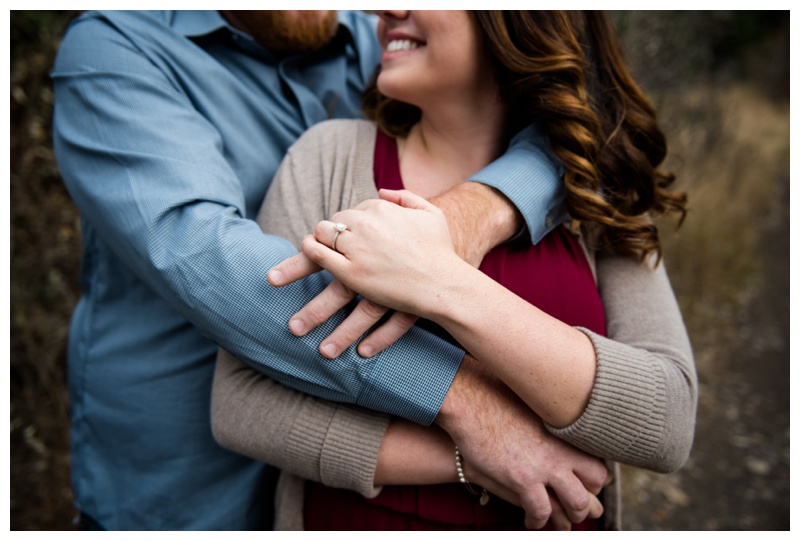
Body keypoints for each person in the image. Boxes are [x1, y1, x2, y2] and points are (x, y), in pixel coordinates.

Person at [50, 10, 604, 530]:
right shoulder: (116, 49)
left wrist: (472, 214)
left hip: (330, 495)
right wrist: (466, 403)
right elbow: (214, 266)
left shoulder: (372, 47)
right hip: (182, 491)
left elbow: (561, 122)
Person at [211, 10, 696, 530]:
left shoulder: (592, 184)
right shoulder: (326, 157)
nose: (385, 9)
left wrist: (445, 284)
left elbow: (668, 421)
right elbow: (239, 403)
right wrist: (472, 452)